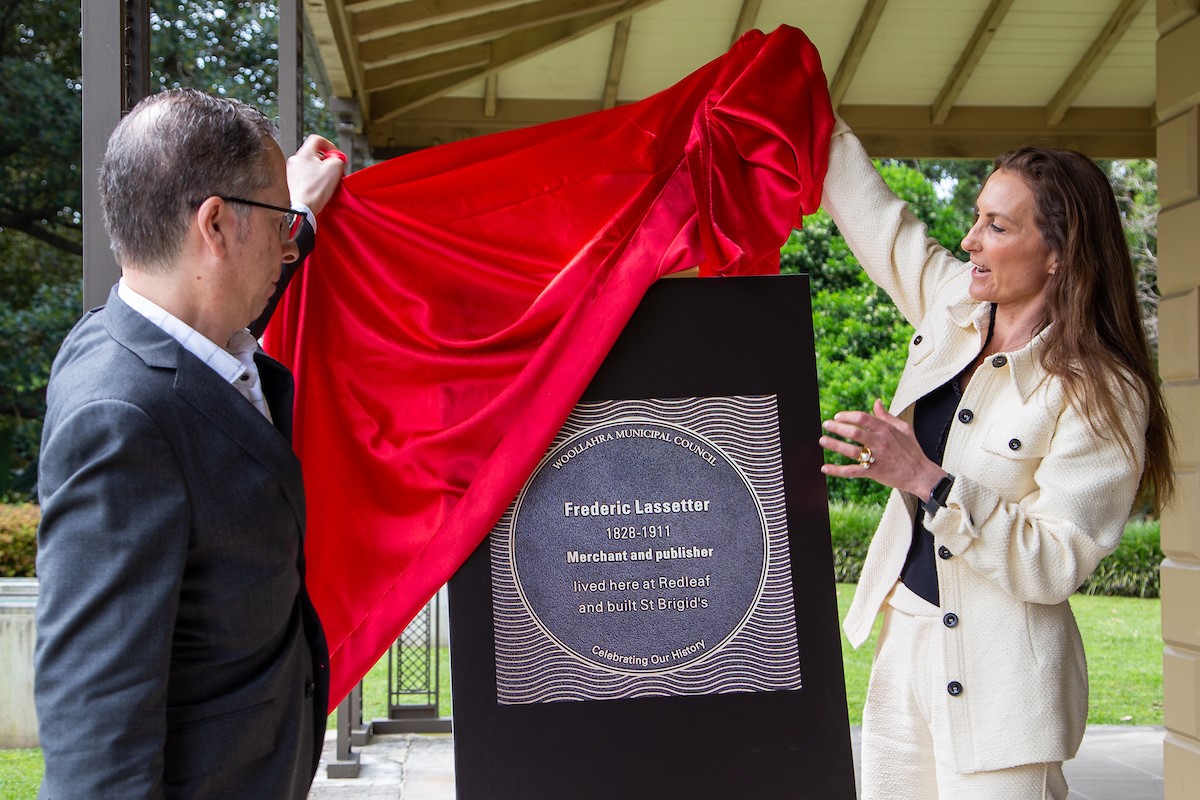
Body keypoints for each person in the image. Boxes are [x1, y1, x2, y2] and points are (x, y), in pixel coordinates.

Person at [816, 118, 1173, 799]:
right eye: (977, 217)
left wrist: (925, 479)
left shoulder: (1102, 390)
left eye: (998, 227)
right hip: (902, 655)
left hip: (1006, 689)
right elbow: (878, 221)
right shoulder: (952, 303)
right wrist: (813, 119)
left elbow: (1056, 561)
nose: (970, 239)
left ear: (1058, 255)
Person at [34, 88, 344, 799]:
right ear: (214, 224)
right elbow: (96, 736)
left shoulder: (166, 332)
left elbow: (240, 285)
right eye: (279, 221)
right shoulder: (119, 420)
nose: (289, 241)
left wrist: (300, 205)